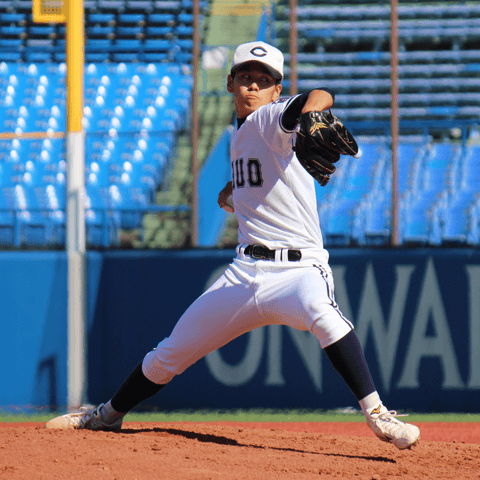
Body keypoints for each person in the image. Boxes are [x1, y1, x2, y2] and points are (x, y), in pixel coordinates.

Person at [46, 41, 420, 450]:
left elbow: (319, 95)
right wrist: (234, 191)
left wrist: (313, 111)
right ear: (230, 83)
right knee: (170, 354)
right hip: (244, 274)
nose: (253, 87)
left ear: (277, 91)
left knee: (326, 318)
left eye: (265, 81)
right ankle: (106, 415)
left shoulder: (271, 119)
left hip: (299, 272)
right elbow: (258, 174)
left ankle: (379, 414)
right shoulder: (239, 136)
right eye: (245, 77)